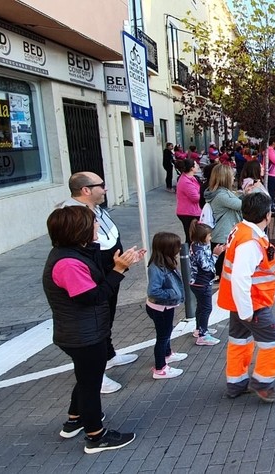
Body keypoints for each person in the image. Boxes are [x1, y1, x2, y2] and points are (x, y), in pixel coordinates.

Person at [43, 206, 142, 453]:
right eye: (93, 224)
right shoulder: (67, 263)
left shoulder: (76, 253)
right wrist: (119, 270)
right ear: (79, 230)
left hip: (83, 331)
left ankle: (74, 420)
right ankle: (95, 436)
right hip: (82, 334)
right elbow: (94, 296)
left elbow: (95, 279)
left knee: (86, 376)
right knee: (90, 383)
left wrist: (119, 264)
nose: (98, 227)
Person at [59, 172, 135, 395]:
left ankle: (109, 354)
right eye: (100, 185)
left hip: (108, 270)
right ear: (86, 190)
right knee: (94, 320)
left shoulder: (95, 209)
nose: (105, 189)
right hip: (93, 276)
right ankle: (95, 375)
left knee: (106, 315)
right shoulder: (72, 215)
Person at [218, 192, 275, 403]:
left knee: (239, 341)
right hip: (252, 304)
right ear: (267, 215)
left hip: (238, 302)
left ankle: (236, 383)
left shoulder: (241, 229)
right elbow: (240, 277)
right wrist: (247, 311)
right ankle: (262, 383)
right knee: (274, 341)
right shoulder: (251, 241)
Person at [145, 232, 187, 380]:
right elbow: (153, 290)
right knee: (162, 337)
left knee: (167, 332)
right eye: (176, 246)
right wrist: (172, 293)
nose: (179, 249)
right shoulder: (156, 267)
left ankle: (167, 354)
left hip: (165, 307)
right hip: (160, 308)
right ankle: (160, 368)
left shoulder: (165, 262)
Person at [188, 222, 224, 346]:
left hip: (198, 283)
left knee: (201, 307)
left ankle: (200, 329)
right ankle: (203, 335)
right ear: (202, 237)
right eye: (209, 236)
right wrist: (216, 255)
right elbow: (206, 266)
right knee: (206, 308)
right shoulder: (198, 250)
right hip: (201, 283)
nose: (210, 238)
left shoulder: (197, 245)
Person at [203, 165, 241, 276]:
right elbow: (240, 205)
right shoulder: (221, 195)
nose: (234, 178)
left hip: (223, 233)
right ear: (225, 178)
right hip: (223, 235)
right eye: (232, 176)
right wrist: (250, 194)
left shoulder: (220, 192)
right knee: (224, 271)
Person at [175, 158, 202, 243]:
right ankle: (188, 254)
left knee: (193, 236)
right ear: (191, 168)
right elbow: (195, 198)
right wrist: (203, 194)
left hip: (192, 211)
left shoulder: (191, 178)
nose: (198, 166)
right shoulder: (185, 181)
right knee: (191, 237)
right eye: (196, 165)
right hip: (188, 213)